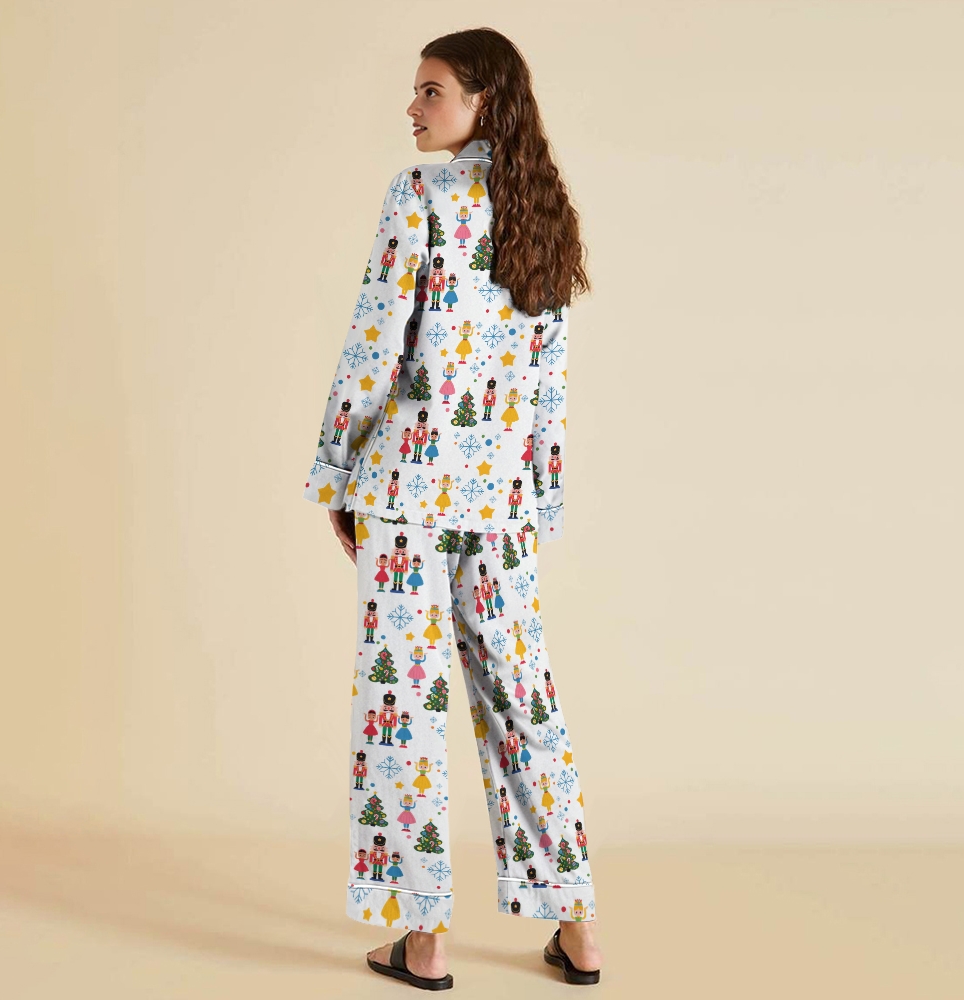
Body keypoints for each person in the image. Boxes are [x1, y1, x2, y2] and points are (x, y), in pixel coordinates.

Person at [303, 27, 601, 988]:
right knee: (524, 701)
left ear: (485, 102)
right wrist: (537, 497)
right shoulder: (545, 214)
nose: (413, 107)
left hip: (407, 491)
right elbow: (549, 384)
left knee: (405, 709)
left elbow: (374, 344)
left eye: (432, 91)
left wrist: (337, 473)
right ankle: (578, 928)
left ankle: (423, 939)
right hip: (502, 498)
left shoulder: (421, 196)